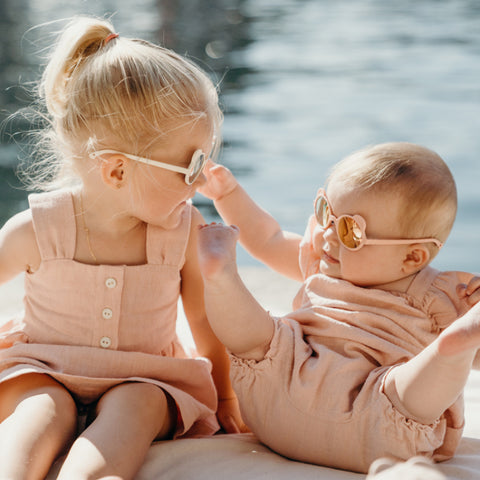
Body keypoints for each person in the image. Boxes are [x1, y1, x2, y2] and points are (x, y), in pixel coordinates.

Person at [0, 16, 244, 480]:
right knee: (37, 411)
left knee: (137, 405)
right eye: (190, 167)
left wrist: (227, 398)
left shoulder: (182, 232)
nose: (200, 181)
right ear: (116, 171)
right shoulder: (36, 229)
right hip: (44, 366)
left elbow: (203, 320)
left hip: (145, 373)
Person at [196, 142, 480, 473]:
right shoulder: (323, 261)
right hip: (283, 389)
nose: (328, 234)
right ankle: (221, 278)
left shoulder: (445, 294)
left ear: (412, 257)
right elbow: (267, 238)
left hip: (379, 410)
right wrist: (227, 193)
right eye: (325, 212)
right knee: (263, 342)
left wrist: (470, 328)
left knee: (415, 388)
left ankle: (453, 344)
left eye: (350, 230)